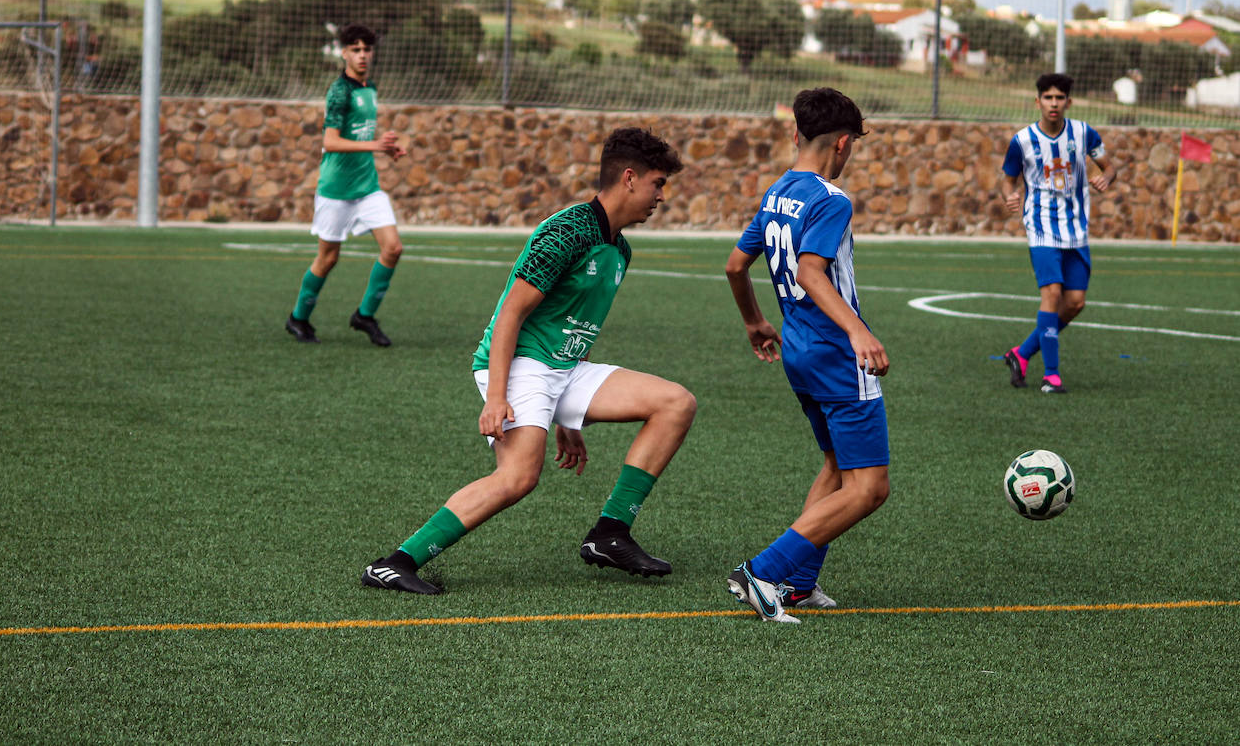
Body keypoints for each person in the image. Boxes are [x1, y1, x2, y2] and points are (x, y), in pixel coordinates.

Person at [362, 127, 695, 595]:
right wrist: (496, 397)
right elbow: (510, 314)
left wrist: (568, 417)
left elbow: (573, 324)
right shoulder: (567, 230)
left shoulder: (620, 248)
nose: (662, 195)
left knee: (675, 403)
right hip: (518, 362)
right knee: (518, 477)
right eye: (658, 183)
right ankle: (395, 563)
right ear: (629, 178)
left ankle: (610, 534)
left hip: (561, 369)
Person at [723, 87, 890, 624]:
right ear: (842, 144)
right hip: (837, 354)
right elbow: (811, 272)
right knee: (869, 489)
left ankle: (797, 582)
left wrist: (754, 321)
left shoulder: (778, 192)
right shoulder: (831, 199)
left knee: (838, 465)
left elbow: (734, 265)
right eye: (853, 147)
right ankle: (762, 572)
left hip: (798, 352)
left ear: (797, 135)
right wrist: (858, 332)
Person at [285, 23, 407, 347]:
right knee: (328, 258)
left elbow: (362, 136)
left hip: (367, 186)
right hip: (337, 190)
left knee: (393, 248)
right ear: (343, 53)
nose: (362, 55)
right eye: (355, 49)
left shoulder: (369, 88)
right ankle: (298, 318)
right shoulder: (339, 91)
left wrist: (388, 148)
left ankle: (364, 316)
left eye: (367, 49)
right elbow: (331, 141)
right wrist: (377, 145)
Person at [999, 72, 1116, 394]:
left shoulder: (1083, 133)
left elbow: (1109, 166)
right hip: (1040, 227)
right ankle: (1051, 375)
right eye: (1048, 97)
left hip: (1076, 228)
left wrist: (1108, 177)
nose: (1054, 103)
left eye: (1059, 97)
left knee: (1075, 302)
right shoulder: (1022, 140)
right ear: (1038, 101)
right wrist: (1009, 195)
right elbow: (1008, 178)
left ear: (1069, 102)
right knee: (1051, 294)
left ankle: (1021, 354)